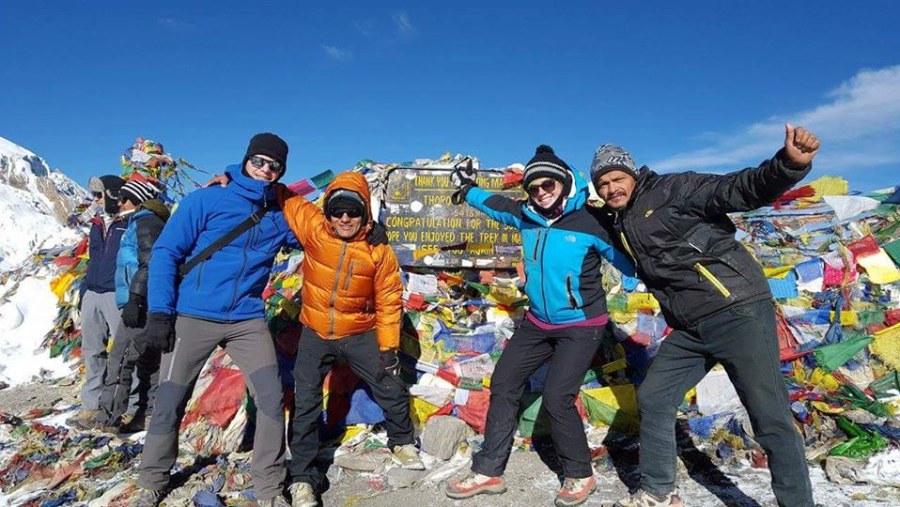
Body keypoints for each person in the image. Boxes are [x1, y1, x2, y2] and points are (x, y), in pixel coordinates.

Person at [589, 125, 820, 507]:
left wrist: (788, 165)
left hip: (737, 313)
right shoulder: (619, 219)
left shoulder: (673, 189)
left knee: (770, 417)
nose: (611, 188)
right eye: (603, 183)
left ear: (632, 173)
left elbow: (740, 189)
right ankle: (659, 492)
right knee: (655, 397)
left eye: (617, 178)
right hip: (690, 328)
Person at [444, 146, 635, 507]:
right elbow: (493, 204)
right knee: (503, 383)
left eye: (548, 183)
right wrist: (467, 189)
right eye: (534, 186)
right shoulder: (526, 216)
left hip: (582, 324)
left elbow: (629, 261)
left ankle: (580, 474)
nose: (542, 191)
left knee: (558, 397)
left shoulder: (592, 223)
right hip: (538, 321)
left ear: (563, 183)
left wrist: (650, 280)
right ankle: (488, 471)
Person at [135, 133, 301, 507]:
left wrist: (362, 228)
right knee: (171, 398)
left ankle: (269, 488)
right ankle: (152, 480)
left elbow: (319, 238)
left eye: (274, 166)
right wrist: (161, 311)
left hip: (246, 318)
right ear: (245, 160)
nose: (265, 170)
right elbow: (165, 253)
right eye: (259, 161)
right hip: (193, 314)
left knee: (272, 398)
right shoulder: (206, 199)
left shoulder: (279, 215)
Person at [278, 171, 420, 507]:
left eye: (353, 211)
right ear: (326, 211)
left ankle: (402, 440)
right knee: (307, 403)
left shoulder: (378, 251)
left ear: (364, 214)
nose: (344, 218)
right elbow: (282, 194)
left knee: (389, 383)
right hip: (314, 333)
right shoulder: (313, 228)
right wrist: (229, 176)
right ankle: (302, 479)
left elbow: (388, 301)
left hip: (359, 332)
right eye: (337, 210)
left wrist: (388, 348)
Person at [78, 177, 169, 433]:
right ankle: (146, 414)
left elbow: (149, 261)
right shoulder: (142, 222)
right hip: (139, 298)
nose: (119, 204)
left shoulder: (144, 223)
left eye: (124, 199)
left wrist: (135, 297)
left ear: (136, 200)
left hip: (138, 300)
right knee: (147, 359)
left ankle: (109, 419)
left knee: (120, 360)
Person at [67, 174, 128, 428]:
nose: (95, 200)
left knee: (124, 351)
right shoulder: (96, 224)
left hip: (116, 293)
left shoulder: (129, 222)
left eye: (99, 195)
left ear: (113, 194)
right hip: (93, 292)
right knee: (93, 351)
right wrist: (84, 293)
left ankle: (128, 407)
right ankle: (92, 406)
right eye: (94, 195)